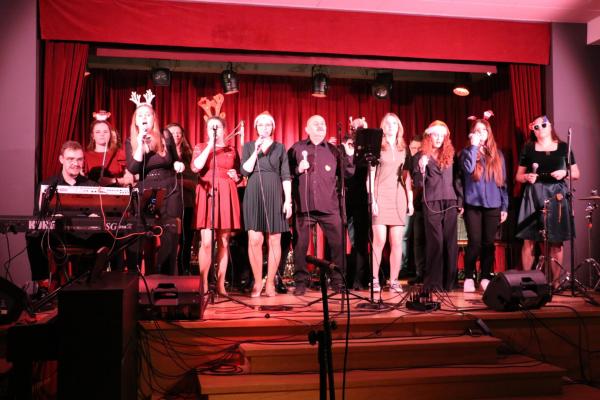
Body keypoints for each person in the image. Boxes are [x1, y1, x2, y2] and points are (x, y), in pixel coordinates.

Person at [288, 115, 355, 296]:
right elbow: (286, 173)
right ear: (307, 129)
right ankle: (301, 282)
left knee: (338, 245)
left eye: (323, 123)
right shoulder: (296, 148)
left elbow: (347, 174)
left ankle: (338, 281)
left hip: (329, 206)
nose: (320, 126)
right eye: (316, 123)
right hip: (304, 206)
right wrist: (298, 169)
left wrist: (349, 156)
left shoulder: (334, 151)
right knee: (300, 246)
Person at [27, 141, 98, 299]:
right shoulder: (47, 185)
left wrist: (95, 217)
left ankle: (90, 282)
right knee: (33, 235)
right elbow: (38, 216)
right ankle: (43, 284)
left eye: (79, 159)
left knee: (109, 237)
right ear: (61, 159)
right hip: (56, 236)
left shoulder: (92, 185)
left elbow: (98, 217)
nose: (75, 163)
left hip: (82, 237)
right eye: (70, 159)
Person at [515, 115, 580, 285]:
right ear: (533, 130)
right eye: (536, 127)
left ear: (550, 126)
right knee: (529, 239)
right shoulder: (528, 148)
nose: (540, 129)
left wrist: (565, 173)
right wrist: (526, 177)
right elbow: (518, 176)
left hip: (556, 194)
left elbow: (576, 173)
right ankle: (527, 282)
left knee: (556, 241)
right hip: (533, 194)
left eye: (543, 125)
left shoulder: (563, 147)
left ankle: (555, 283)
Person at [125, 90, 184, 276]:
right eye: (140, 115)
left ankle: (165, 275)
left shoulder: (165, 136)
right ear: (136, 121)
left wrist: (178, 164)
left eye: (148, 115)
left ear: (154, 118)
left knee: (170, 230)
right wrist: (140, 144)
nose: (144, 118)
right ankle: (137, 276)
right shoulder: (131, 140)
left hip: (169, 187)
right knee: (140, 231)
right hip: (146, 189)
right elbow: (133, 168)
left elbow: (174, 159)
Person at [241, 112, 292, 297]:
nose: (264, 128)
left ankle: (270, 282)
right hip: (253, 192)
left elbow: (285, 175)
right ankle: (257, 282)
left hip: (275, 193)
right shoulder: (248, 146)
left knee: (275, 239)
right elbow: (244, 171)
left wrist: (288, 200)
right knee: (254, 239)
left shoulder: (280, 147)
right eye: (261, 125)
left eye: (268, 125)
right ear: (256, 128)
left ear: (273, 127)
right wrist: (255, 151)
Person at [192, 116, 241, 295]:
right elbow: (196, 167)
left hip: (227, 192)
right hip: (208, 192)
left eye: (218, 127)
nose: (215, 130)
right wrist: (210, 146)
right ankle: (203, 283)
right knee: (206, 242)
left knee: (223, 242)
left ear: (224, 130)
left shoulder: (232, 149)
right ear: (207, 130)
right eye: (211, 127)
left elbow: (239, 175)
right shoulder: (200, 147)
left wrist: (236, 176)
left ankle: (221, 284)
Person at [460, 116, 508, 293]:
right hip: (473, 205)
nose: (481, 133)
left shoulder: (498, 155)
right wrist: (474, 147)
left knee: (488, 243)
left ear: (489, 133)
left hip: (493, 204)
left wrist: (504, 206)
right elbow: (468, 169)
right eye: (477, 130)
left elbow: (502, 182)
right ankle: (469, 276)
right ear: (472, 133)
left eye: (484, 130)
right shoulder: (467, 152)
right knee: (474, 243)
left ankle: (486, 276)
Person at [414, 120, 463, 291]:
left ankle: (450, 282)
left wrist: (460, 200)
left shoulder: (450, 154)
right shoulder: (421, 156)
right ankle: (434, 283)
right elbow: (417, 183)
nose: (439, 138)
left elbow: (457, 179)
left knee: (450, 242)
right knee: (435, 241)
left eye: (442, 135)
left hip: (450, 200)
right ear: (429, 135)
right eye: (436, 134)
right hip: (431, 200)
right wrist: (421, 168)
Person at [369, 113, 413, 293]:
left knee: (396, 241)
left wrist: (410, 201)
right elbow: (370, 175)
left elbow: (406, 177)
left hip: (398, 197)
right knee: (379, 240)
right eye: (387, 123)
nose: (391, 126)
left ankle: (394, 280)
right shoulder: (377, 147)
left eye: (394, 123)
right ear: (382, 126)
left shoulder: (404, 149)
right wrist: (372, 199)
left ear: (399, 127)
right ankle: (374, 279)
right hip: (380, 195)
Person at [166, 123, 197, 275]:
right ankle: (167, 270)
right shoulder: (162, 155)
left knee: (186, 238)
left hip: (187, 203)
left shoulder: (189, 156)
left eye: (178, 133)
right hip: (167, 203)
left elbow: (195, 183)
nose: (176, 135)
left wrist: (178, 182)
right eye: (172, 133)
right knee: (169, 238)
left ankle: (184, 269)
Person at [344, 117, 370, 290]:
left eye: (361, 128)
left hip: (362, 199)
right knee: (343, 240)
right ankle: (344, 278)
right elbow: (345, 173)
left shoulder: (369, 148)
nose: (357, 131)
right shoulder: (344, 147)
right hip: (345, 199)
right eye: (354, 128)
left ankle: (360, 279)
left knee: (360, 241)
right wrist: (348, 154)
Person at [84, 113, 134, 187]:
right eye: (98, 132)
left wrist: (112, 180)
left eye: (105, 132)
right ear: (92, 136)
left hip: (116, 193)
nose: (102, 134)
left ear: (110, 135)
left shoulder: (119, 154)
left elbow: (130, 180)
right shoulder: (85, 156)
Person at [406, 134, 426, 285]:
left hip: (431, 205)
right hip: (417, 205)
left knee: (430, 240)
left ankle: (431, 272)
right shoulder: (411, 160)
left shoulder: (426, 157)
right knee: (418, 240)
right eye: (414, 148)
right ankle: (420, 273)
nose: (416, 151)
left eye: (419, 148)